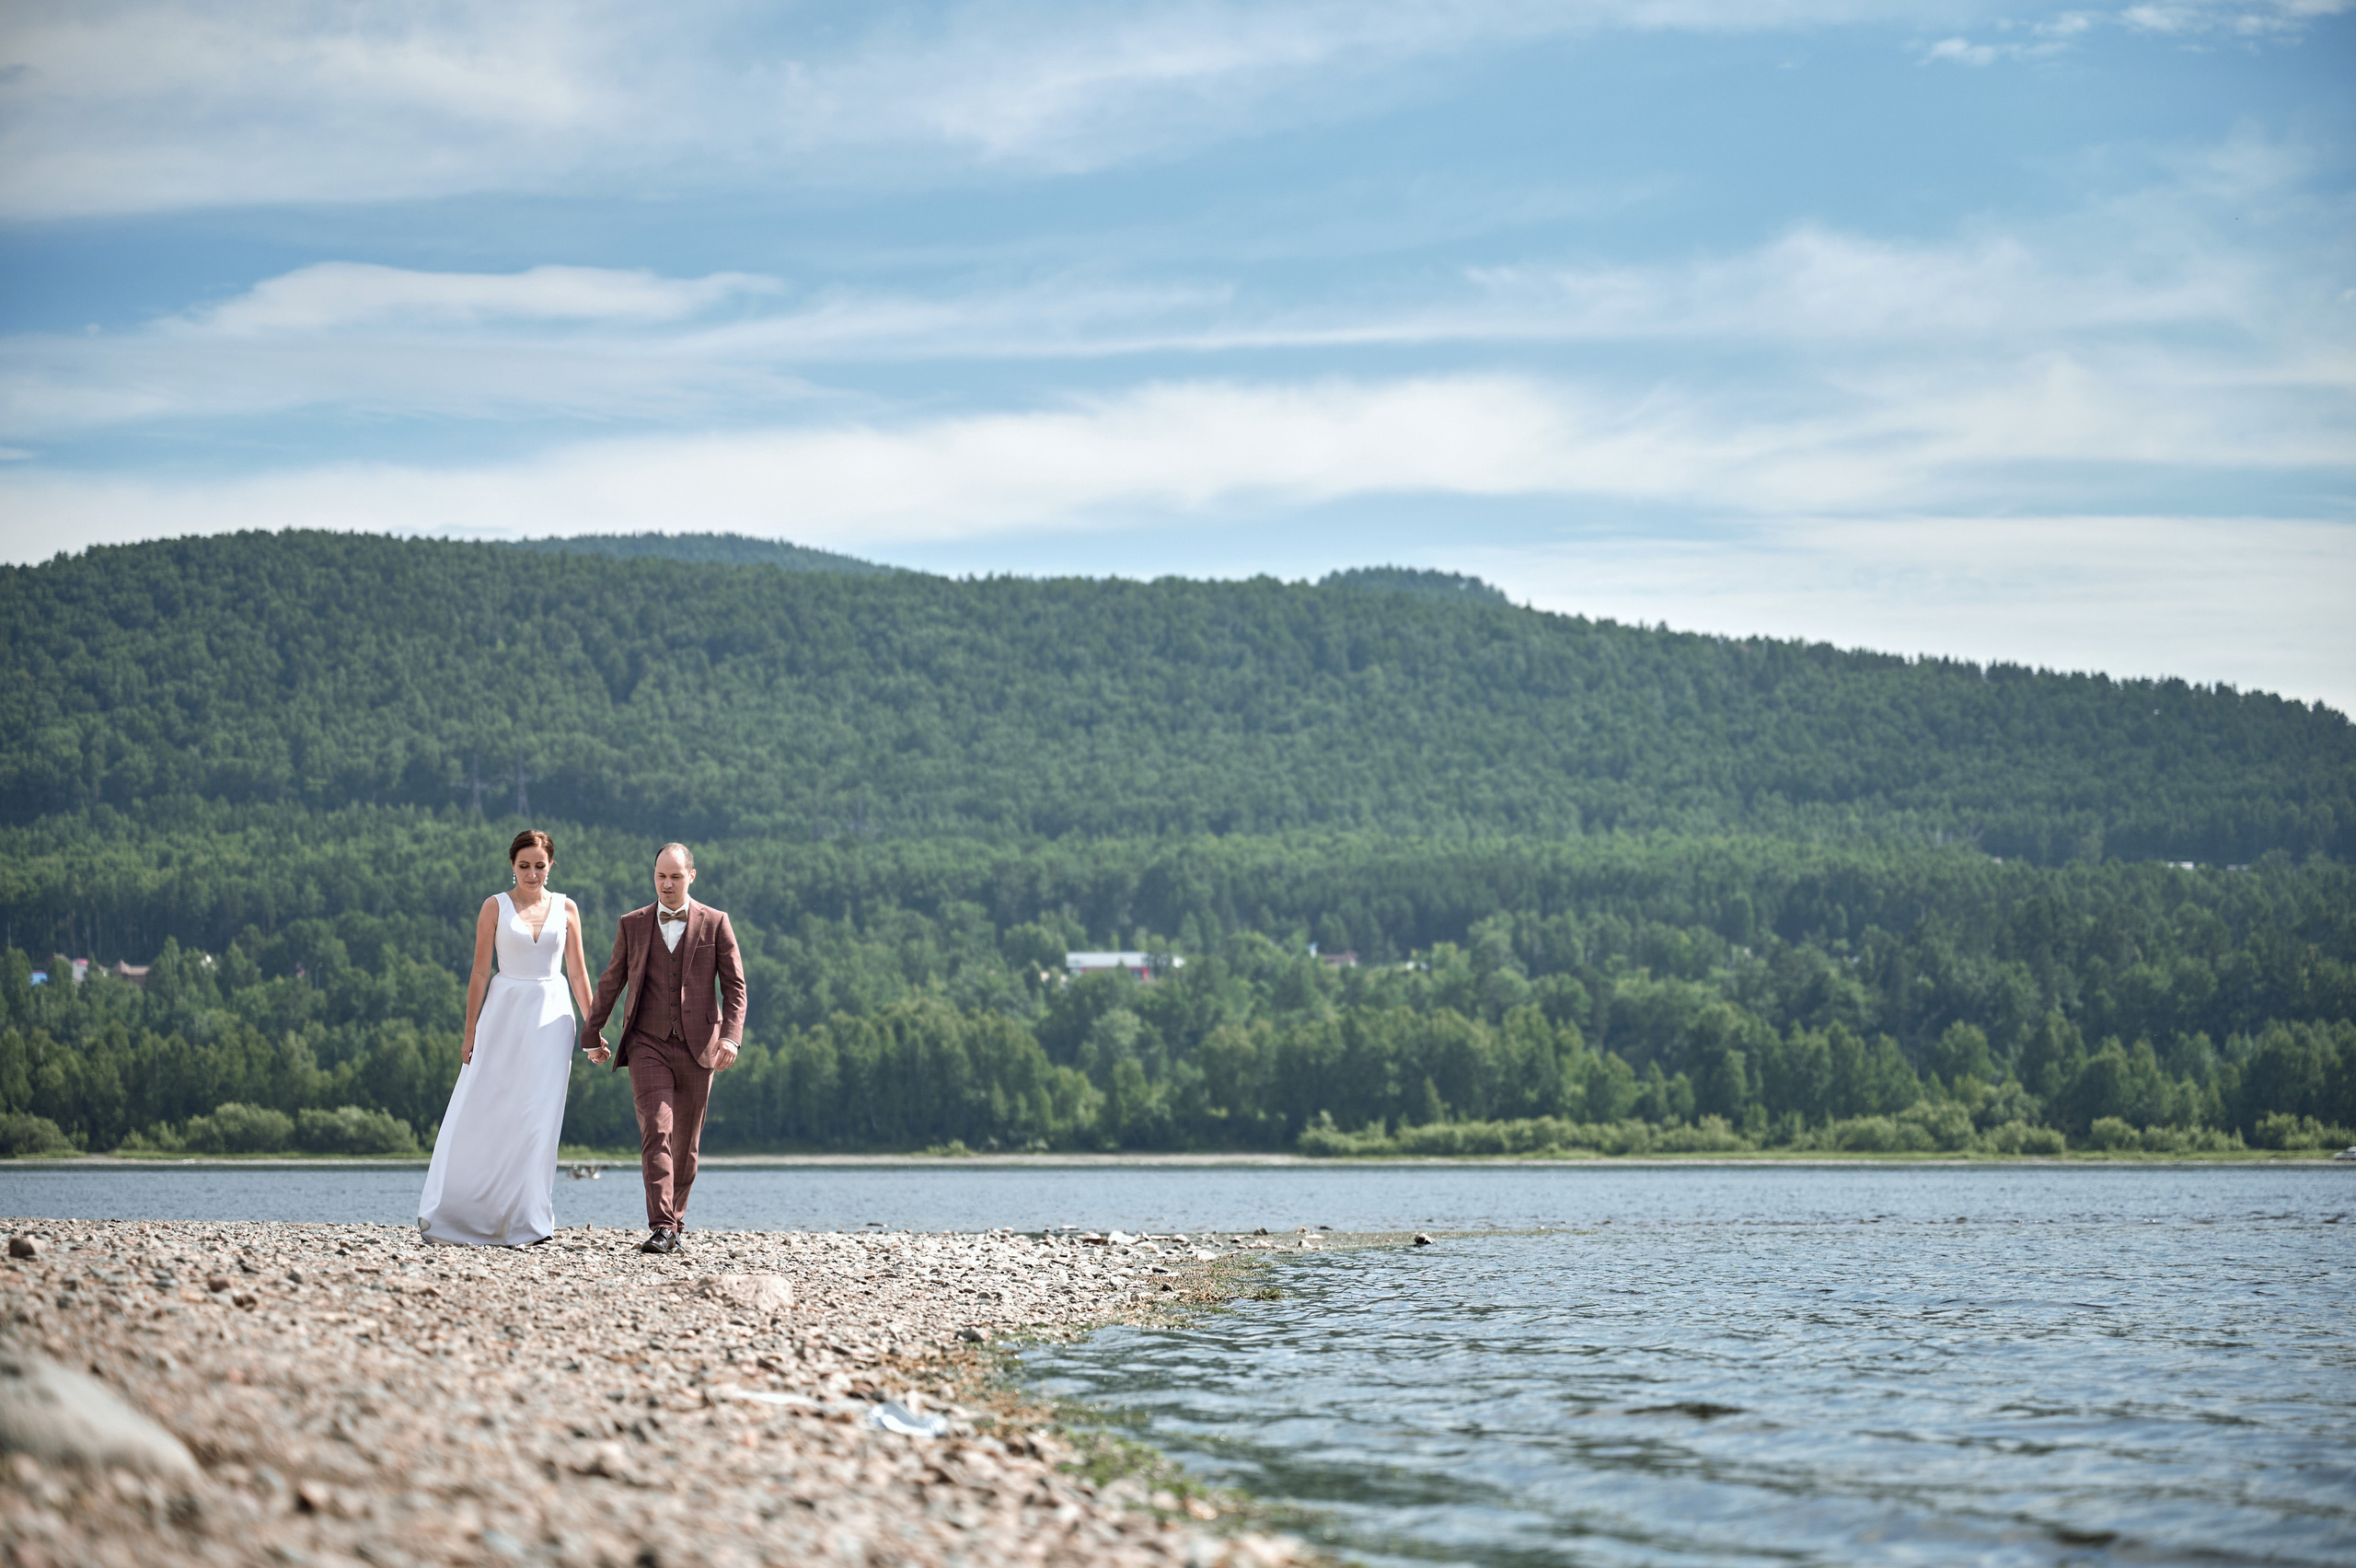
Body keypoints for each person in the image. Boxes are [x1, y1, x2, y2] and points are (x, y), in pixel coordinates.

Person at [418, 829, 594, 1247]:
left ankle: (533, 1221)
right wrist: (470, 1032)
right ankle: (468, 1211)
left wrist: (593, 1028)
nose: (532, 874)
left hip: (553, 1017)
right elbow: (480, 972)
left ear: (551, 865)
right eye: (524, 866)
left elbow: (577, 973)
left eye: (539, 866)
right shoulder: (494, 906)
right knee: (491, 1109)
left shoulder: (567, 908)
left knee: (541, 1118)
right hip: (503, 1015)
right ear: (512, 866)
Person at [578, 842, 746, 1255]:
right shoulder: (632, 924)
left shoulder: (716, 922)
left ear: (692, 876)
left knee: (686, 1144)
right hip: (646, 1042)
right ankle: (661, 1226)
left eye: (675, 876)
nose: (667, 884)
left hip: (700, 1046)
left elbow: (735, 988)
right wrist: (591, 1033)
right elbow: (611, 981)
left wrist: (730, 1037)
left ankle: (675, 1223)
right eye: (660, 876)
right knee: (657, 1129)